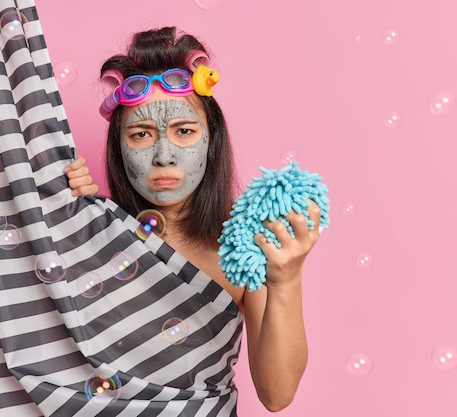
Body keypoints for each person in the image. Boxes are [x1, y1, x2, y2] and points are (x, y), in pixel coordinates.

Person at [65, 26, 321, 413]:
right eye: (140, 134)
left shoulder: (241, 252)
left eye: (184, 131)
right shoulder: (96, 231)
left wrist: (287, 279)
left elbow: (277, 393)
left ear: (211, 140)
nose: (163, 155)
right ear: (118, 148)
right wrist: (65, 211)